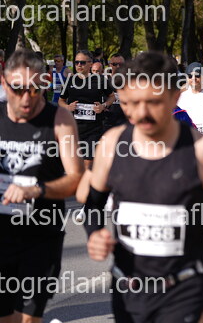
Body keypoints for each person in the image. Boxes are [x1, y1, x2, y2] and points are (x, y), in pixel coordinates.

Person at [83, 51, 203, 323]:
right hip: (128, 287)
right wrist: (94, 234)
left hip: (183, 287)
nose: (142, 113)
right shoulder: (112, 144)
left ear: (174, 98)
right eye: (134, 103)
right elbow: (93, 203)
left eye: (154, 102)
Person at [0, 49, 83, 323]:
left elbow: (76, 177)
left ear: (45, 83)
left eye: (35, 89)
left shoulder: (59, 119)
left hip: (41, 234)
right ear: (4, 83)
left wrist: (37, 190)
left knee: (27, 319)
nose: (26, 98)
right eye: (18, 88)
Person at [59, 50, 116, 170]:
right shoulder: (70, 80)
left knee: (88, 164)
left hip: (93, 128)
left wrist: (103, 106)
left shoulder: (100, 80)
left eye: (82, 62)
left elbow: (112, 97)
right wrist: (68, 107)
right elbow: (61, 101)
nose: (79, 65)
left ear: (90, 63)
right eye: (77, 62)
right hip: (73, 128)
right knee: (73, 166)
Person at [103, 54, 128, 132]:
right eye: (114, 64)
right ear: (110, 65)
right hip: (107, 120)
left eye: (121, 64)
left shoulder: (130, 81)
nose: (118, 66)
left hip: (125, 120)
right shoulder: (104, 80)